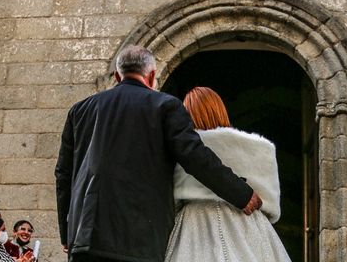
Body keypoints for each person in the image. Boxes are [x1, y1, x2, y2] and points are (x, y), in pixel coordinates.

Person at [55, 45, 262, 262]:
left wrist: (67, 233)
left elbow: (63, 174)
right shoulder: (165, 106)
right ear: (152, 74)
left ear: (117, 75)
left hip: (86, 237)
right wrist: (241, 193)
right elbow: (195, 156)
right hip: (139, 241)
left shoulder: (80, 110)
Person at [165, 86, 291, 262]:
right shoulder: (256, 151)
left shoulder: (182, 151)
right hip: (249, 226)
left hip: (194, 226)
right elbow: (268, 203)